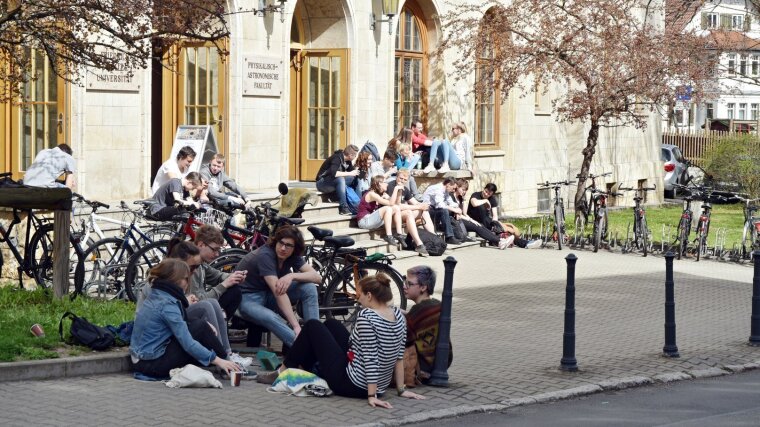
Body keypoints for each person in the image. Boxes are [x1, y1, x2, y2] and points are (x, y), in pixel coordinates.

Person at [256, 274, 426, 409]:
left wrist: (371, 397)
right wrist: (401, 390)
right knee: (331, 323)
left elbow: (371, 358)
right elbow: (398, 356)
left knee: (313, 326)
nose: (356, 299)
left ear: (369, 295)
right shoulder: (398, 315)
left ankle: (282, 372)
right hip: (373, 382)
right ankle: (303, 366)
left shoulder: (367, 318)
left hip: (352, 384)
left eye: (359, 295)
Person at [130, 258, 241, 379]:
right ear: (174, 279)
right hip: (151, 364)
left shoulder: (158, 294)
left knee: (200, 326)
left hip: (142, 359)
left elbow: (180, 325)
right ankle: (229, 365)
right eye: (186, 279)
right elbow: (187, 343)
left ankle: (227, 363)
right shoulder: (167, 304)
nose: (188, 283)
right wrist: (218, 360)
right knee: (200, 327)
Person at [160, 240, 252, 368]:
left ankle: (226, 354)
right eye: (214, 249)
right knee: (206, 306)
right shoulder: (170, 279)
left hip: (172, 322)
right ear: (201, 244)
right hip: (156, 350)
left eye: (197, 267)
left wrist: (233, 277)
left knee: (214, 302)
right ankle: (223, 359)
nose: (217, 254)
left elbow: (217, 276)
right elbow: (168, 313)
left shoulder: (195, 268)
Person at [234, 225, 321, 348]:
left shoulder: (292, 256)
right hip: (247, 298)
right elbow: (278, 292)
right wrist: (296, 326)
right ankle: (303, 349)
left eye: (288, 245)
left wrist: (291, 276)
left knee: (309, 287)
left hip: (267, 294)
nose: (283, 248)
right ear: (276, 242)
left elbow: (317, 277)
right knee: (270, 317)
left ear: (294, 248)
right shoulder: (266, 255)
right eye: (281, 243)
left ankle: (315, 336)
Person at [403, 266, 453, 382]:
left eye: (409, 284)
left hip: (424, 364)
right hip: (443, 361)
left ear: (423, 287)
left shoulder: (417, 311)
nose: (404, 286)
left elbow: (406, 339)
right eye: (404, 281)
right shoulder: (437, 304)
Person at [467, 182, 541, 249]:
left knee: (507, 234)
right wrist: (485, 201)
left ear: (492, 194)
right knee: (505, 229)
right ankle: (525, 243)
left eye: (489, 194)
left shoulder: (492, 199)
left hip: (486, 223)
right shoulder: (476, 195)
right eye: (486, 191)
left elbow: (495, 215)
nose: (486, 194)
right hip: (474, 221)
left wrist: (495, 224)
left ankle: (526, 243)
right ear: (484, 188)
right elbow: (474, 203)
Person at [453, 179, 511, 249]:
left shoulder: (460, 198)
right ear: (457, 187)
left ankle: (499, 241)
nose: (464, 192)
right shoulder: (452, 197)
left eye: (465, 190)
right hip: (455, 221)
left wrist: (464, 199)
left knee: (480, 225)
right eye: (463, 189)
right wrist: (471, 220)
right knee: (477, 226)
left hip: (463, 219)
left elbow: (464, 213)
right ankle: (499, 241)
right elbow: (457, 215)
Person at [357, 175, 410, 249]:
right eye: (385, 182)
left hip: (373, 221)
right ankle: (388, 235)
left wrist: (399, 191)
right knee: (388, 208)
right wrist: (395, 189)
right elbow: (390, 203)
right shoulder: (372, 194)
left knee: (396, 208)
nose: (387, 184)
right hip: (364, 221)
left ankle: (399, 234)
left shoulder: (382, 194)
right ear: (379, 183)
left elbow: (396, 203)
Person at [316, 144, 359, 215]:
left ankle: (357, 203)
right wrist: (350, 173)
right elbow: (334, 173)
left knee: (353, 178)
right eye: (355, 155)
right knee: (340, 179)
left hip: (332, 183)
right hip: (321, 183)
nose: (355, 157)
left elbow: (351, 172)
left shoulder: (348, 161)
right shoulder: (336, 158)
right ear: (350, 155)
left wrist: (358, 172)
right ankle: (344, 208)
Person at [422, 178, 462, 245]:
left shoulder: (445, 190)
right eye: (453, 188)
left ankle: (452, 234)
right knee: (444, 210)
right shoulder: (438, 189)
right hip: (427, 210)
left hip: (434, 209)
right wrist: (454, 209)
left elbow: (451, 202)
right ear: (448, 185)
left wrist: (458, 209)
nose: (454, 190)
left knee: (446, 210)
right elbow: (440, 205)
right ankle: (449, 237)